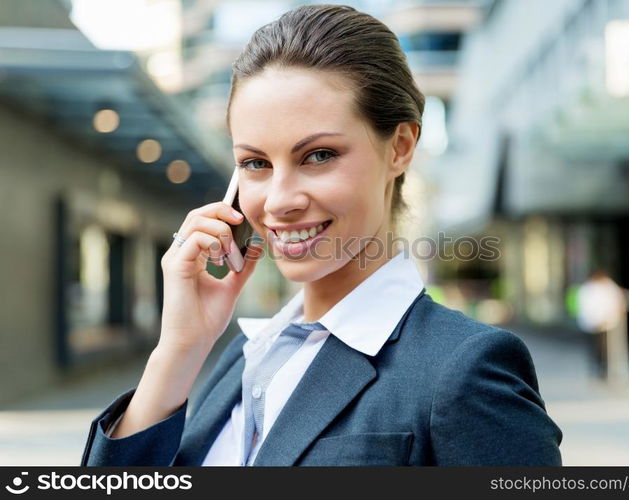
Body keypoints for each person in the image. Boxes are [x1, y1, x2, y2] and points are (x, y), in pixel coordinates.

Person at [81, 4, 562, 466]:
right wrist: (178, 352)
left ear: (399, 147)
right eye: (255, 163)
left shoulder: (464, 369)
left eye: (318, 156)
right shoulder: (242, 355)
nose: (278, 200)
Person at [576, 270, 627, 380]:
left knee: (605, 350)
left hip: (606, 325)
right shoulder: (589, 288)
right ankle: (597, 369)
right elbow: (586, 307)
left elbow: (617, 303)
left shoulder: (608, 287)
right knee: (595, 349)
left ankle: (603, 370)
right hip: (592, 325)